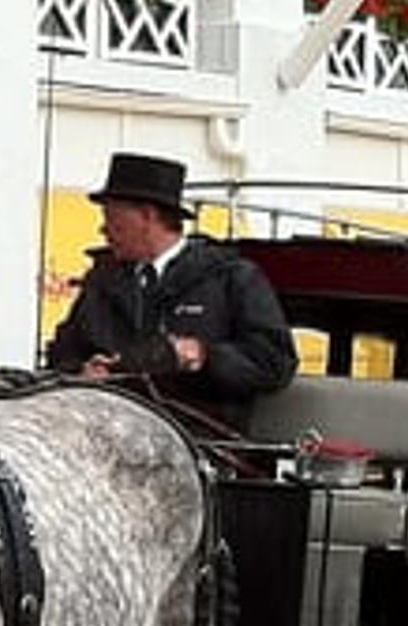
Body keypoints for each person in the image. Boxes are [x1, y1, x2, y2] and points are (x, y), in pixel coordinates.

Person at [44, 151, 297, 427]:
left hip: (201, 440)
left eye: (111, 216)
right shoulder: (102, 281)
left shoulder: (230, 277)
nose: (103, 229)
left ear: (147, 216)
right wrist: (82, 372)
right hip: (104, 430)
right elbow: (61, 354)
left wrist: (201, 354)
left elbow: (275, 363)